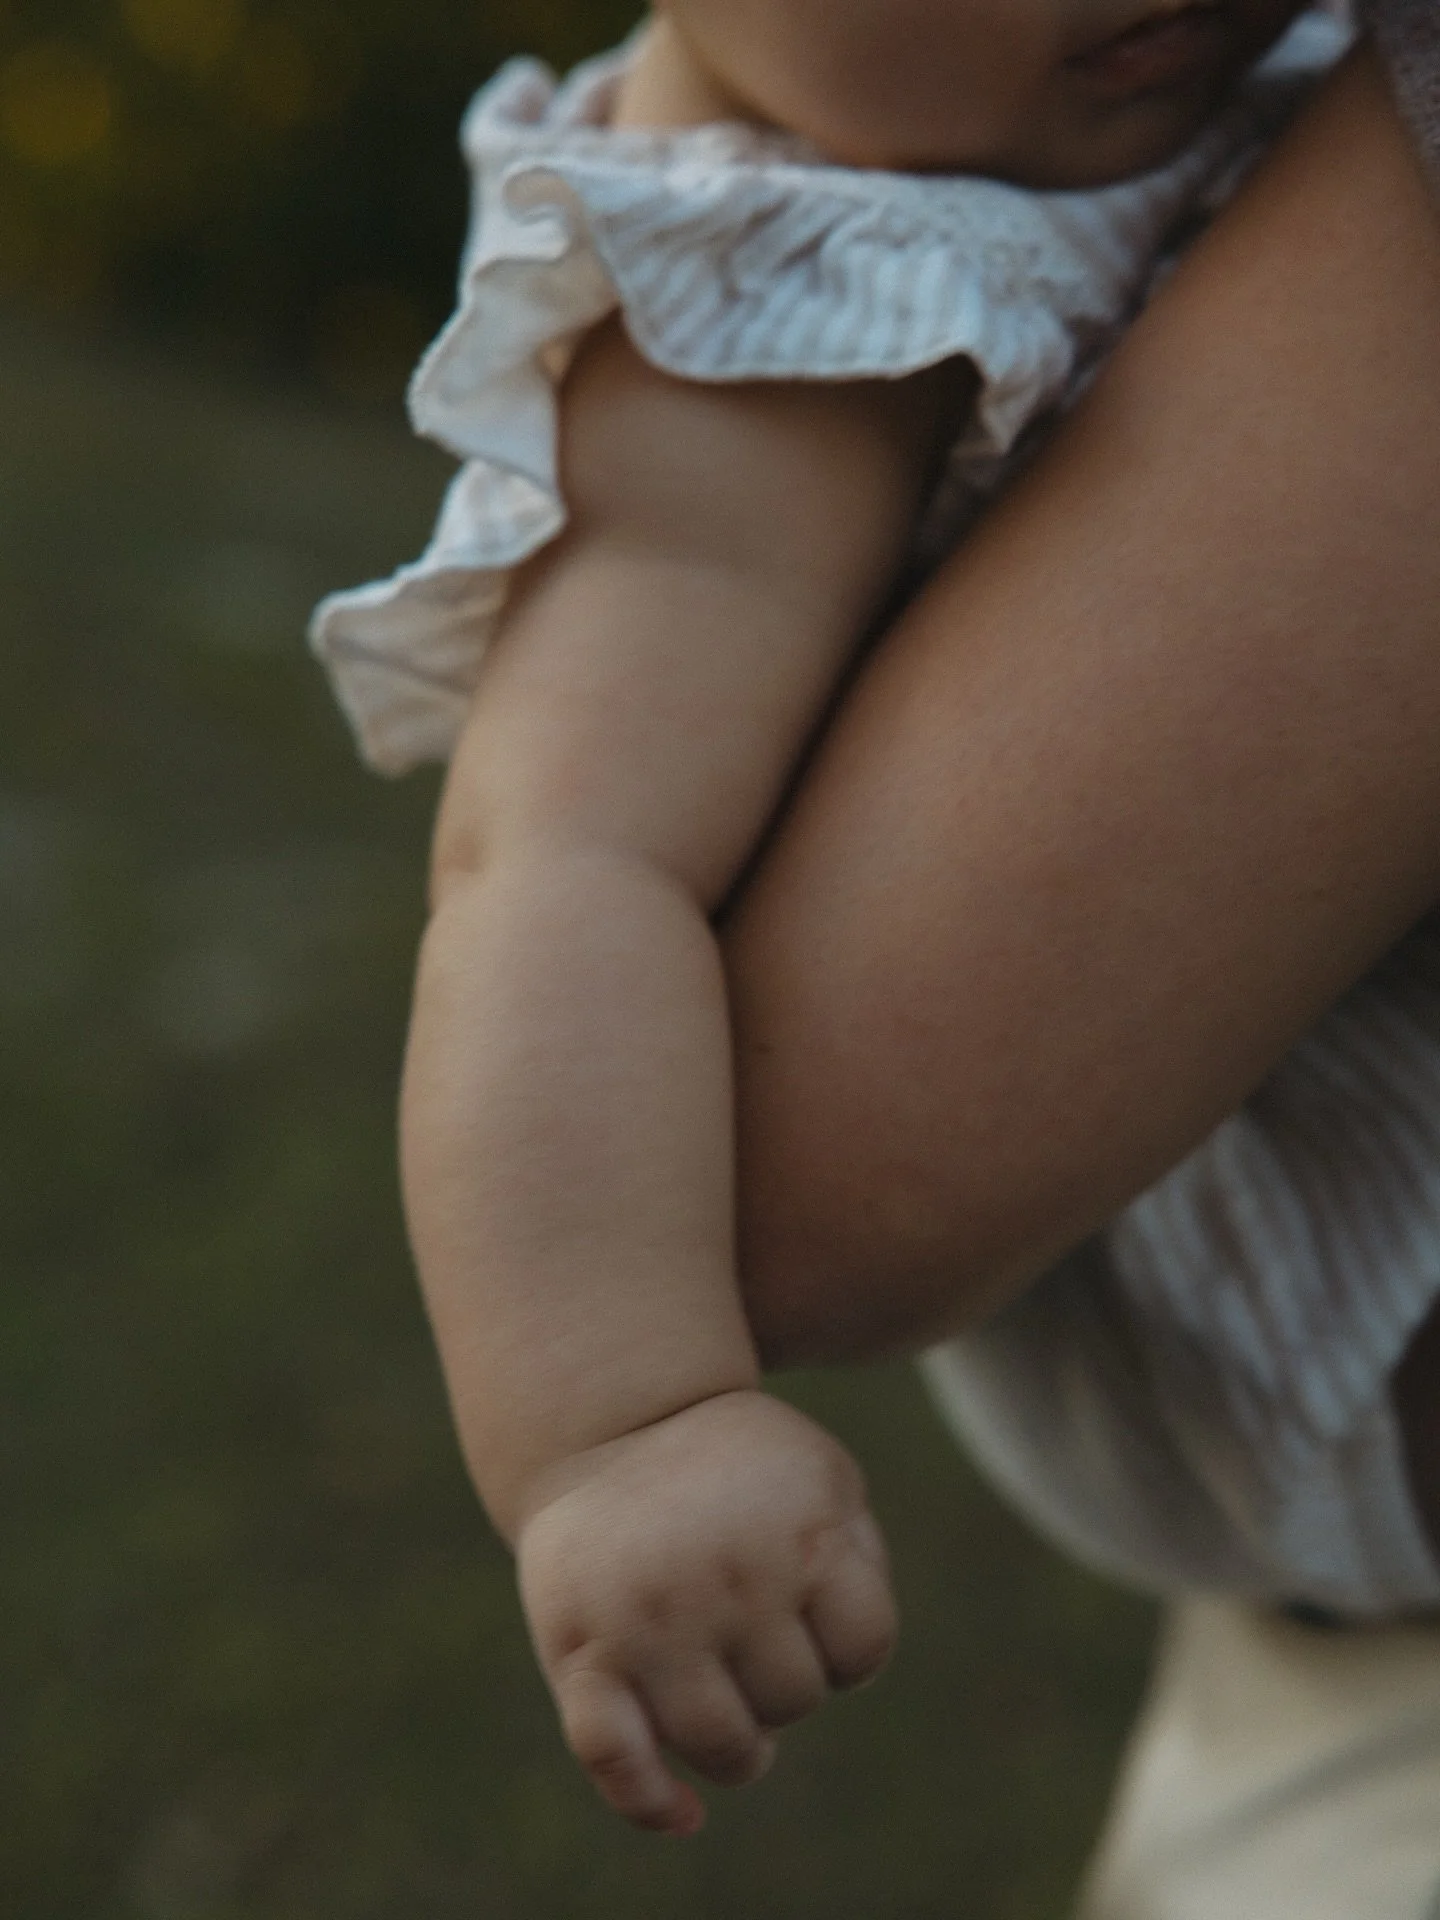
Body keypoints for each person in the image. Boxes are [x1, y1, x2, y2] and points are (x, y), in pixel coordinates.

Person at [312, 0, 1352, 1847]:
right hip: (1315, 1343)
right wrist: (618, 1425)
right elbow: (563, 866)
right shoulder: (766, 297)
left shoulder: (1024, 99)